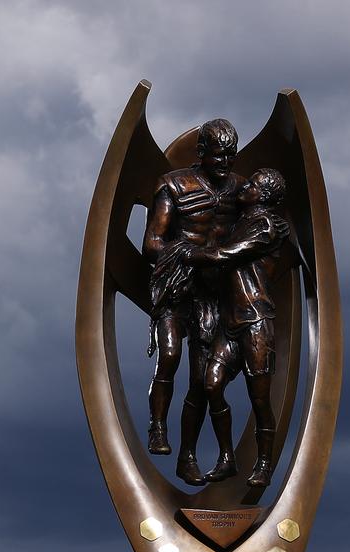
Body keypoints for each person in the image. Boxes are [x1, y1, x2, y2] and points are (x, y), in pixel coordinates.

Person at [141, 118, 243, 484]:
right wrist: (192, 255)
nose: (224, 163)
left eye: (230, 156)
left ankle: (188, 457)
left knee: (201, 380)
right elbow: (152, 242)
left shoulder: (239, 189)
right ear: (201, 153)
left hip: (212, 294)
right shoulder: (174, 184)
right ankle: (157, 425)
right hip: (177, 285)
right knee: (169, 355)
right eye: (218, 156)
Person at [179, 168, 290, 487]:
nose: (246, 187)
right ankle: (227, 457)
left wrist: (193, 254)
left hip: (256, 321)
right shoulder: (240, 222)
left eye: (253, 185)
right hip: (230, 323)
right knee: (211, 384)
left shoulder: (268, 225)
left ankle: (265, 464)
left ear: (265, 196)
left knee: (259, 399)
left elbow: (229, 254)